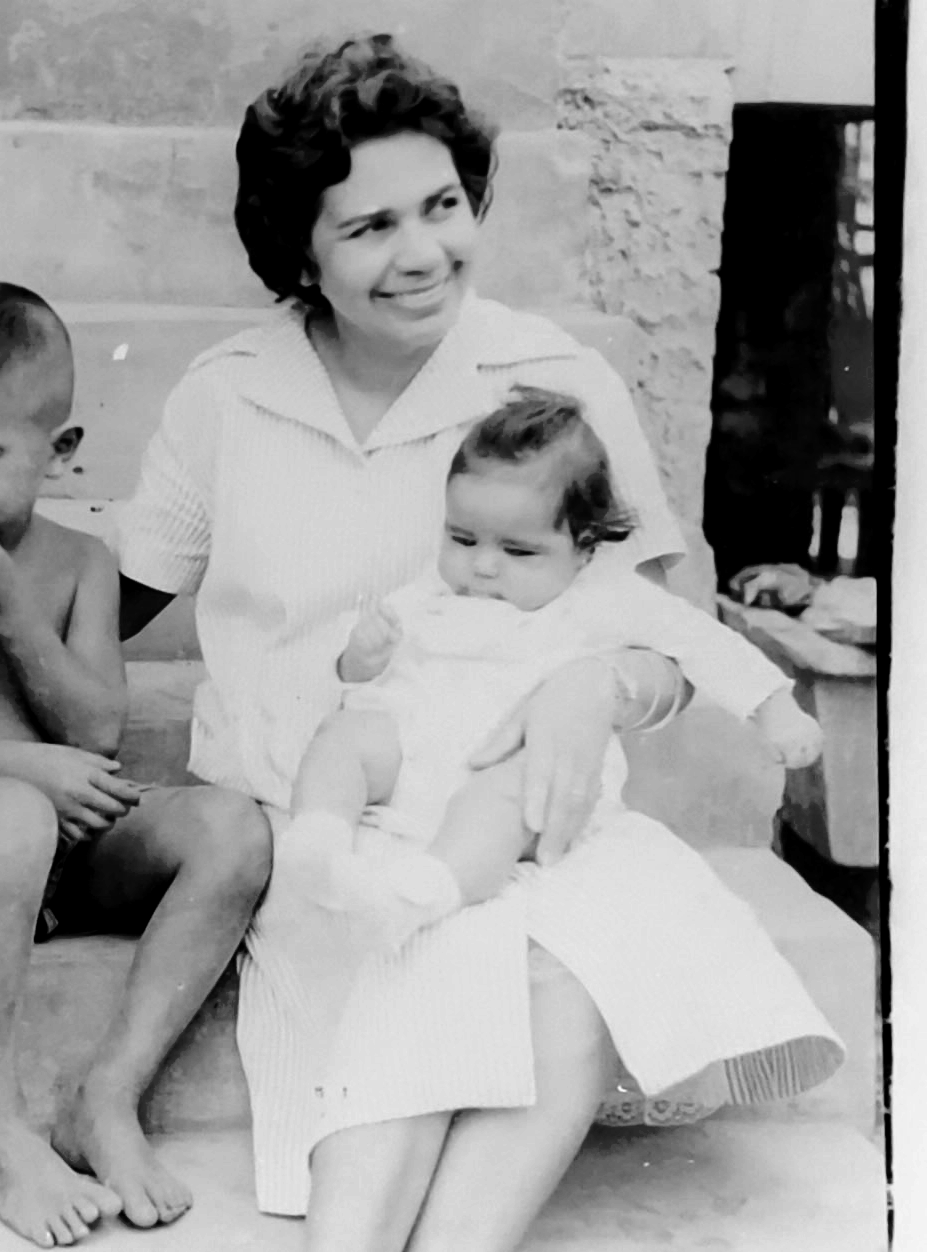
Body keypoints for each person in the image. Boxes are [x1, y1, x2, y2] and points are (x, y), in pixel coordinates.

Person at [114, 35, 844, 1252]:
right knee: (438, 957)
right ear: (298, 248)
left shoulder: (551, 380)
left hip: (522, 811)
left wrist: (594, 690)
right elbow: (121, 597)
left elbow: (657, 627)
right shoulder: (224, 392)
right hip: (323, 817)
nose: (420, 253)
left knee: (551, 971)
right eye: (369, 225)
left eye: (442, 205)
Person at [0, 281, 271, 1250]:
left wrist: (8, 607)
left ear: (60, 451)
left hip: (56, 844)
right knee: (10, 815)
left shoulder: (80, 564)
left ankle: (105, 1097)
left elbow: (98, 728)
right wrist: (28, 770)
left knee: (233, 830)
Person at [274, 387, 826, 958]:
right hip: (416, 761)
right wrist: (362, 657)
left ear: (584, 548)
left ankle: (418, 895)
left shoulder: (601, 598)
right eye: (461, 538)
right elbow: (356, 675)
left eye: (519, 551)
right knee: (347, 736)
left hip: (519, 777)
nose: (481, 565)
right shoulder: (434, 589)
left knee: (511, 796)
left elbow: (701, 642)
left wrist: (774, 709)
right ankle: (317, 843)